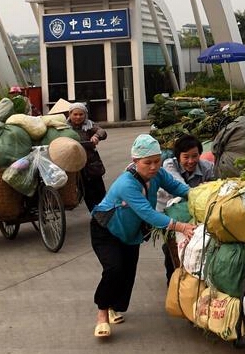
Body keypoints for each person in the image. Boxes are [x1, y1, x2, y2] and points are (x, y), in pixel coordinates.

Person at [90, 134, 196, 338]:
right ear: (135, 161)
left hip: (130, 232)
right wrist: (180, 226)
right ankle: (102, 313)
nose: (154, 167)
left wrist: (198, 194)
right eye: (148, 163)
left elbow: (177, 188)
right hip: (105, 230)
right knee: (114, 268)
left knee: (127, 273)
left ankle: (113, 307)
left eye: (157, 161)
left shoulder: (159, 174)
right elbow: (148, 213)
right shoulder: (126, 184)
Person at [157, 134, 215, 282]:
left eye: (195, 156)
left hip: (193, 212)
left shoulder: (207, 167)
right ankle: (172, 280)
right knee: (171, 247)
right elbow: (180, 187)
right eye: (186, 157)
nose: (191, 161)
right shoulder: (169, 165)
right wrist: (202, 190)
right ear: (178, 157)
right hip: (169, 212)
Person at [67, 103, 108, 211]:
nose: (78, 117)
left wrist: (96, 136)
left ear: (85, 115)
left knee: (100, 192)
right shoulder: (64, 128)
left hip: (92, 164)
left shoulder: (90, 125)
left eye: (81, 114)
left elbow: (102, 131)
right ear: (70, 114)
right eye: (75, 114)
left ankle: (106, 213)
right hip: (76, 166)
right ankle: (96, 215)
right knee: (87, 193)